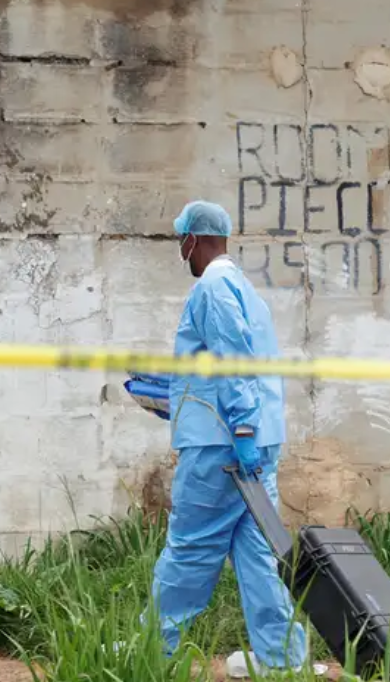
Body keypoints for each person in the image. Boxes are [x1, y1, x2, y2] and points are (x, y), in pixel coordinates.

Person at [145, 200, 308, 670]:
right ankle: (282, 662)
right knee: (260, 556)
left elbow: (232, 360)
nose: (181, 251)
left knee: (190, 549)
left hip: (222, 446)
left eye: (182, 241)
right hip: (254, 444)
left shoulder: (212, 287)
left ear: (194, 240)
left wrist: (238, 426)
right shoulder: (243, 288)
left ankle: (154, 651)